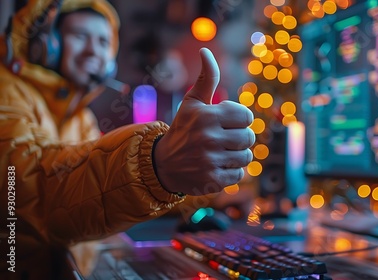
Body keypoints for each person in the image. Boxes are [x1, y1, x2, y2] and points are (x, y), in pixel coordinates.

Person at [0, 0, 255, 278]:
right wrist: (157, 162)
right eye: (80, 36)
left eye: (102, 41)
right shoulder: (7, 91)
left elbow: (94, 191)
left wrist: (206, 196)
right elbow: (29, 192)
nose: (93, 51)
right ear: (48, 43)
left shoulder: (80, 118)